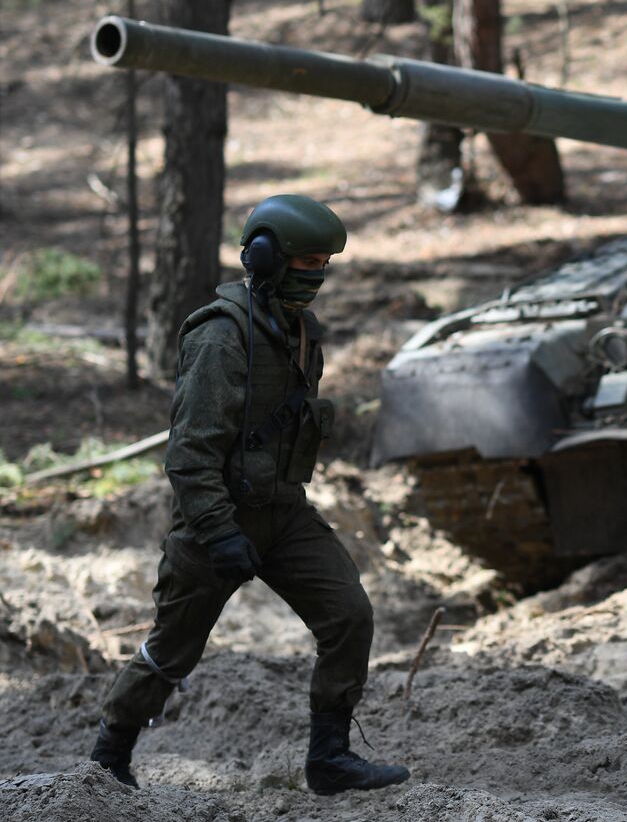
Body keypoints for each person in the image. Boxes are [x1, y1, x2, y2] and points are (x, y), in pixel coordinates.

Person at [89, 194, 410, 796]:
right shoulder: (221, 336)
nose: (315, 276)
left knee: (349, 616)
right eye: (304, 262)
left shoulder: (299, 331)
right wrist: (218, 532)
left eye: (324, 263)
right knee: (171, 649)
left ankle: (330, 757)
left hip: (284, 515)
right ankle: (109, 755)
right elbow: (190, 454)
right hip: (217, 523)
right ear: (265, 259)